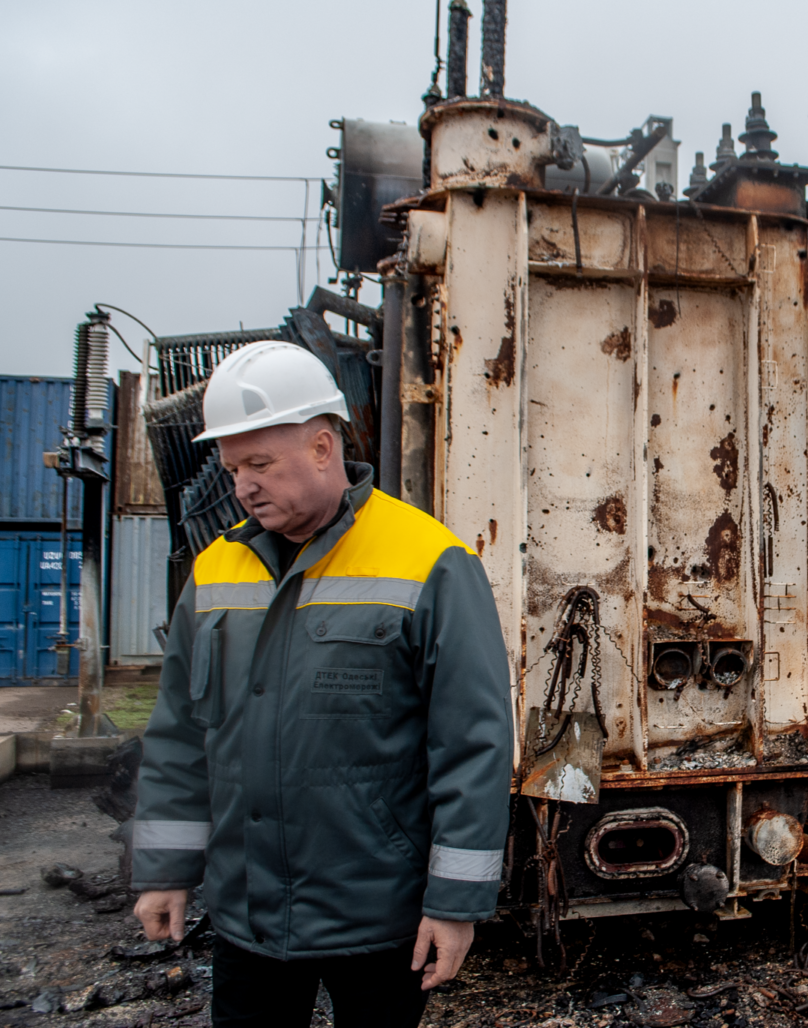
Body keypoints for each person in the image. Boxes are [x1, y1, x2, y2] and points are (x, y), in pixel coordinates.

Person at [131, 340, 513, 1027]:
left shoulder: (430, 562)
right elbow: (182, 734)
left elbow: (472, 745)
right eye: (233, 467)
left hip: (378, 918)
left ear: (321, 446)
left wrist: (454, 905)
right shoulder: (216, 570)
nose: (242, 485)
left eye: (260, 464)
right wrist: (166, 869)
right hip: (247, 918)